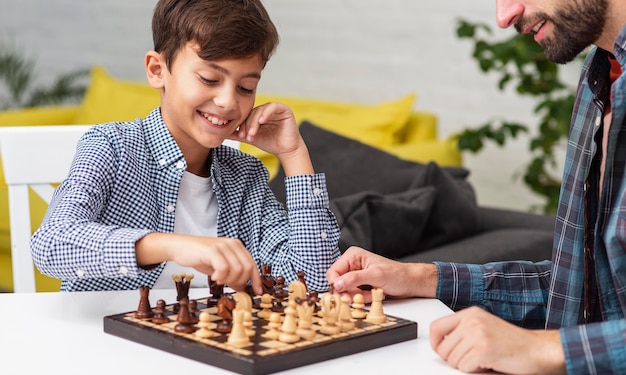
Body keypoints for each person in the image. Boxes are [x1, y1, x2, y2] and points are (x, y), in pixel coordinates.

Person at [327, 0, 626, 374]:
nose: (505, 17)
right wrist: (419, 278)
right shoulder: (599, 76)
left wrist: (545, 349)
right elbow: (580, 292)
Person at [31, 0, 341, 294]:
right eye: (209, 79)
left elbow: (314, 281)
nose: (228, 101)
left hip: (210, 344)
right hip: (104, 342)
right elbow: (50, 244)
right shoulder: (112, 147)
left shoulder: (247, 176)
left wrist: (294, 154)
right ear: (157, 70)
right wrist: (175, 245)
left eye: (246, 87)